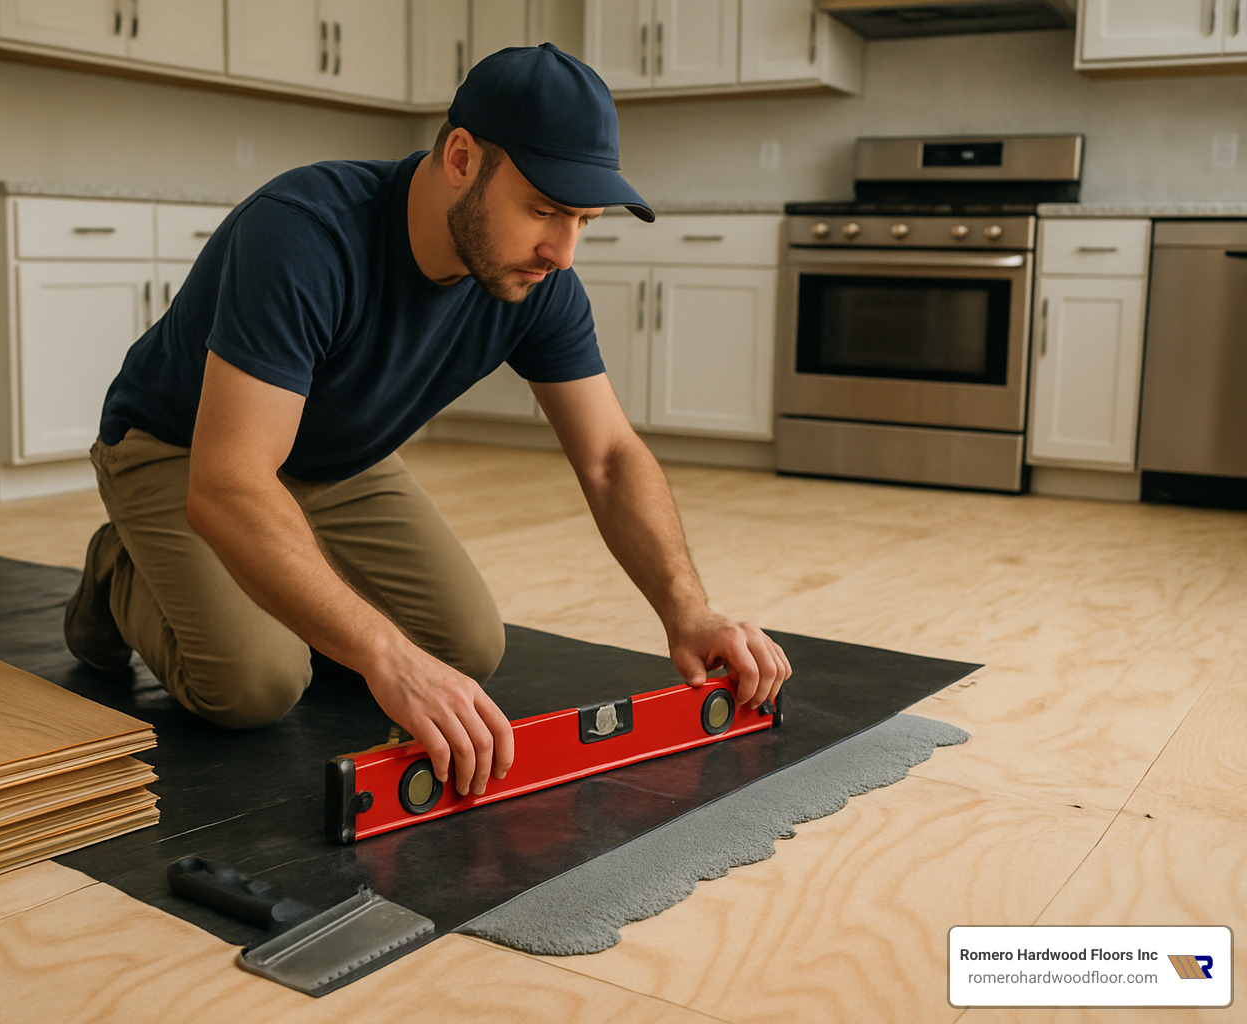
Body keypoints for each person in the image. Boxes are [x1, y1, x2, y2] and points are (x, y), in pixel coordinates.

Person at [64, 42, 790, 805]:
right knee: (257, 684)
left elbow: (608, 455)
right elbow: (230, 484)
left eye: (583, 219)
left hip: (339, 454)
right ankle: (117, 570)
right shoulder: (305, 232)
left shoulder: (540, 279)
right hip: (186, 448)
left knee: (464, 648)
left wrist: (689, 608)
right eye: (543, 210)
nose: (561, 251)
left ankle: (277, 569)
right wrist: (381, 652)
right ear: (461, 158)